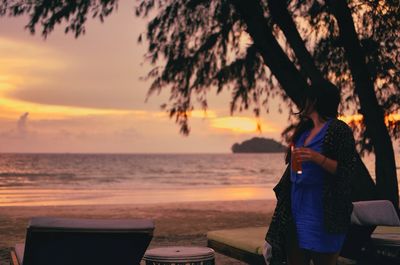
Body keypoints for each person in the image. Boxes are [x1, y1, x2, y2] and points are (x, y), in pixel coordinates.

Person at [265, 81, 357, 265]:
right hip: (297, 209)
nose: (302, 103)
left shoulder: (338, 129)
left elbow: (347, 171)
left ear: (315, 100)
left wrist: (317, 158)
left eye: (306, 99)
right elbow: (296, 171)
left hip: (324, 213)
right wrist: (296, 168)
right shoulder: (303, 131)